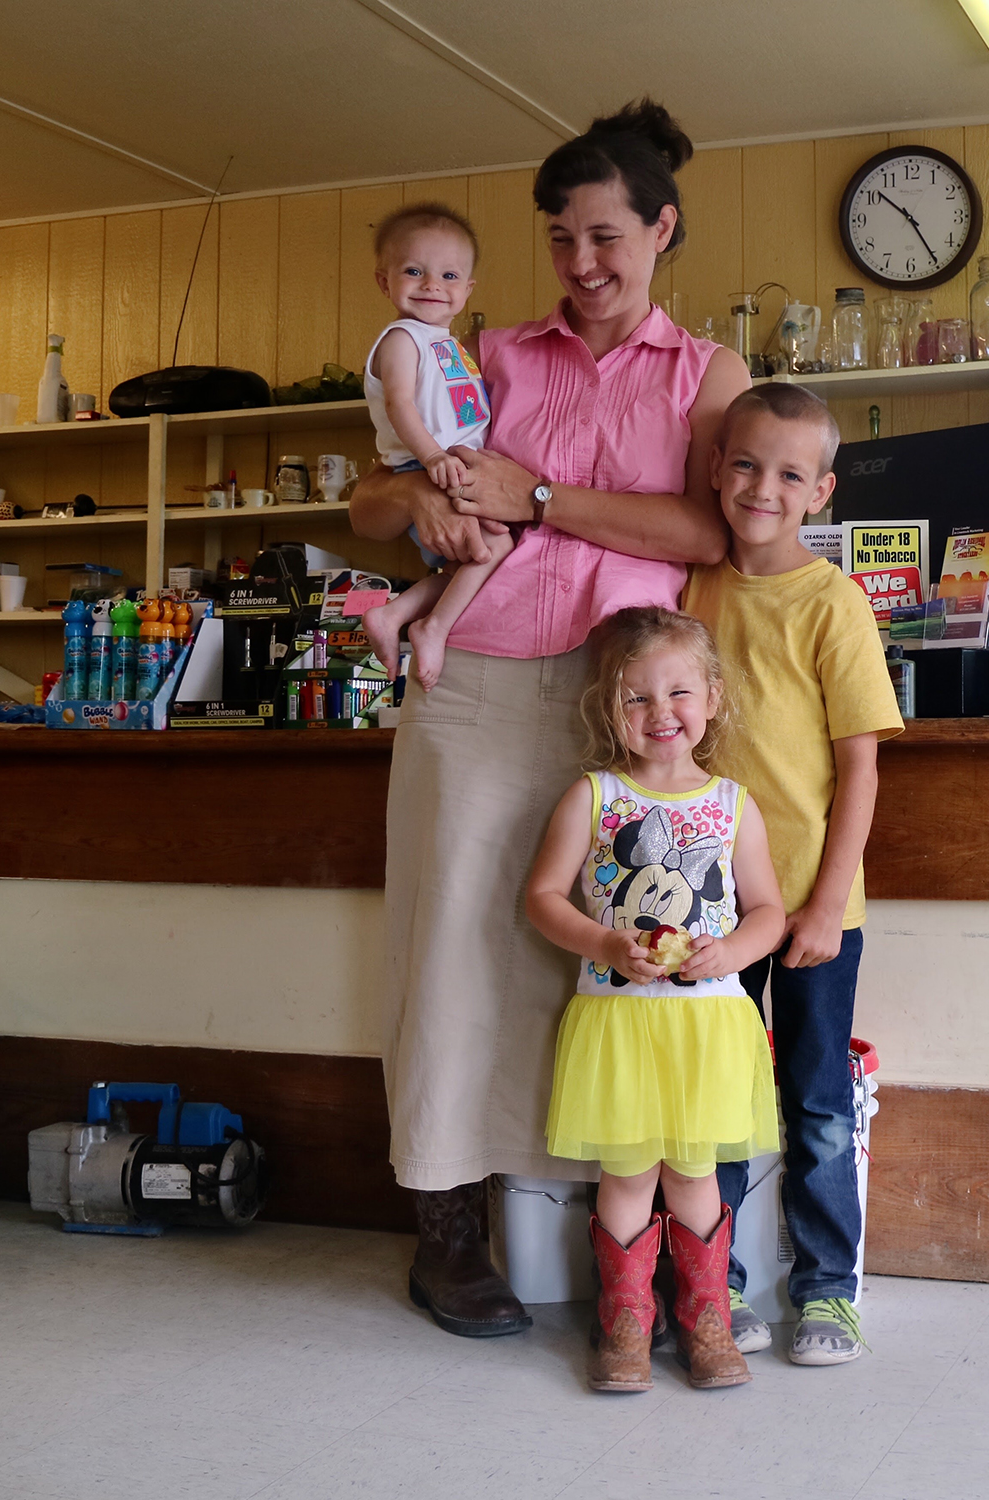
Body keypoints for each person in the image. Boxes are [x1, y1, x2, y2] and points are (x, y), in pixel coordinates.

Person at [348, 99, 750, 1341]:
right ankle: (447, 1233)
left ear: (660, 229)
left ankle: (612, 1238)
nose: (581, 264)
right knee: (453, 950)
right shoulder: (494, 352)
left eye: (605, 237)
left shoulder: (706, 373)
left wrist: (544, 496)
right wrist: (418, 498)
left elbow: (708, 530)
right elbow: (369, 497)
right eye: (560, 239)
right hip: (476, 679)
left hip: (624, 707)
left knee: (607, 961)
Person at [683, 383, 903, 1365]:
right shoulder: (691, 588)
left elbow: (861, 768)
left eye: (787, 473)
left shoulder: (833, 603)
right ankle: (713, 1287)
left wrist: (823, 905)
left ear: (821, 492)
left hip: (816, 907)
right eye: (743, 464)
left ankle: (828, 1291)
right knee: (718, 1100)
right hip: (712, 906)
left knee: (815, 1103)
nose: (760, 488)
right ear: (714, 469)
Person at [527, 607, 784, 1392]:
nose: (659, 712)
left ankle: (707, 1319)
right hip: (619, 1024)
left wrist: (731, 950)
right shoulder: (593, 796)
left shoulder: (734, 804)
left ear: (712, 699)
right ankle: (627, 1325)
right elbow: (542, 897)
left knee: (695, 1174)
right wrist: (605, 944)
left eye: (678, 693)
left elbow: (768, 913)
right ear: (611, 707)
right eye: (636, 697)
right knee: (629, 1174)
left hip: (708, 1025)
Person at [357, 204, 514, 692]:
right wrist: (432, 458)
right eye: (413, 271)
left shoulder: (446, 342)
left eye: (449, 275)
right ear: (384, 282)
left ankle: (394, 615)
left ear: (467, 290)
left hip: (453, 468)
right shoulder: (401, 339)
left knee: (473, 560)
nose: (431, 284)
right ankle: (432, 627)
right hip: (425, 467)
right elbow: (400, 405)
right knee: (494, 547)